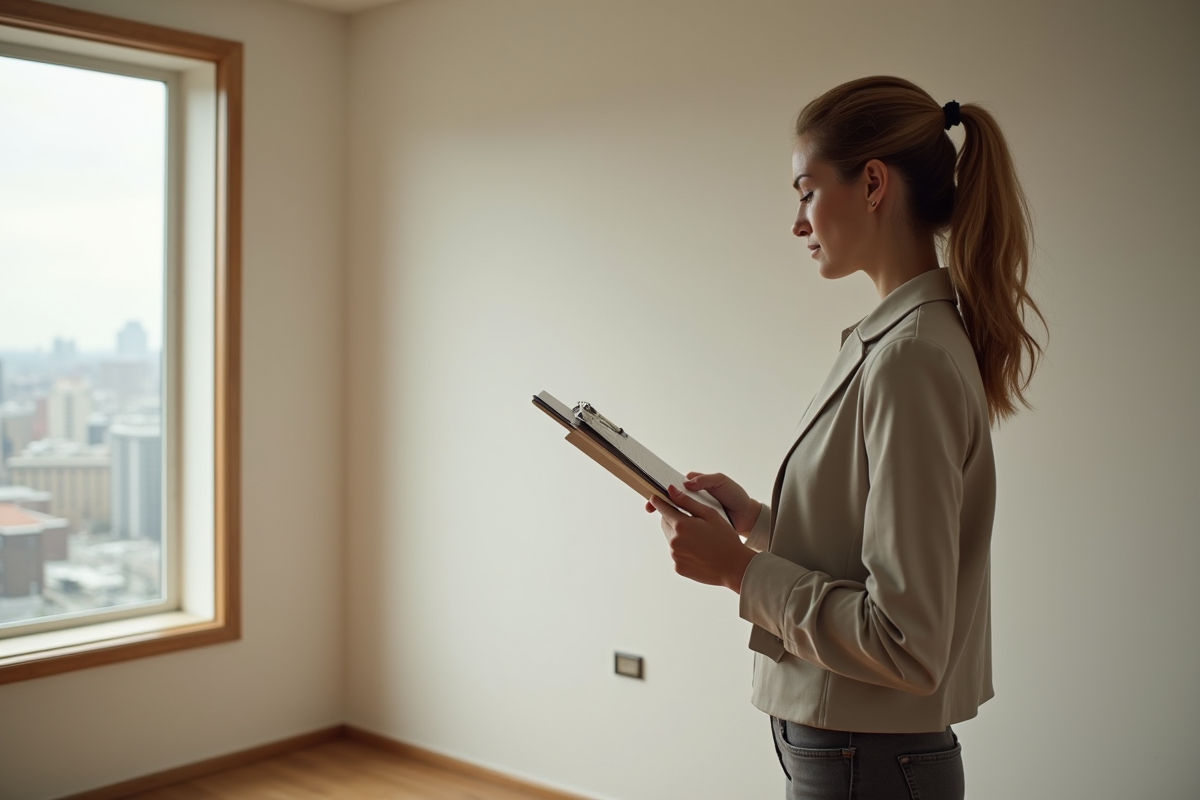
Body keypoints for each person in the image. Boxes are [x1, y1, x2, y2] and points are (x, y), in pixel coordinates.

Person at [646, 76, 1043, 800]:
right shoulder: (898, 340)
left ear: (871, 184)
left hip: (868, 758)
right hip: (855, 752)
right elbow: (868, 555)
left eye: (805, 191)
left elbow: (903, 639)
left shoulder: (911, 357)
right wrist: (760, 525)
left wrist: (738, 571)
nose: (798, 223)